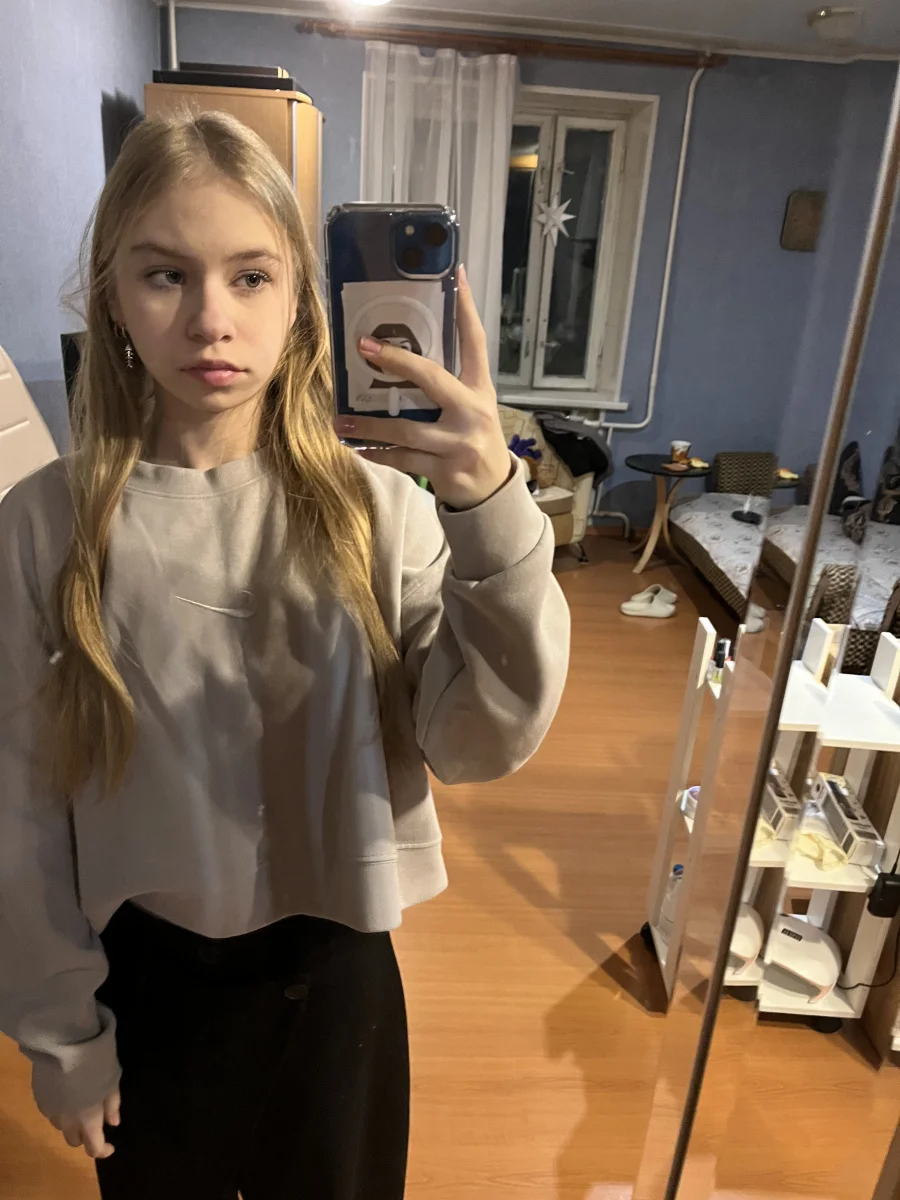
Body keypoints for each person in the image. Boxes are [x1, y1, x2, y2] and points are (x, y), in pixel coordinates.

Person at [0, 112, 569, 1200]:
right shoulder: (43, 529)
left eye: (251, 276)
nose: (211, 319)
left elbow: (477, 742)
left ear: (304, 297)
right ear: (112, 296)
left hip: (340, 986)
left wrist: (491, 509)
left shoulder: (383, 512)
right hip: (147, 986)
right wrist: (59, 1032)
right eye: (166, 275)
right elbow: (15, 809)